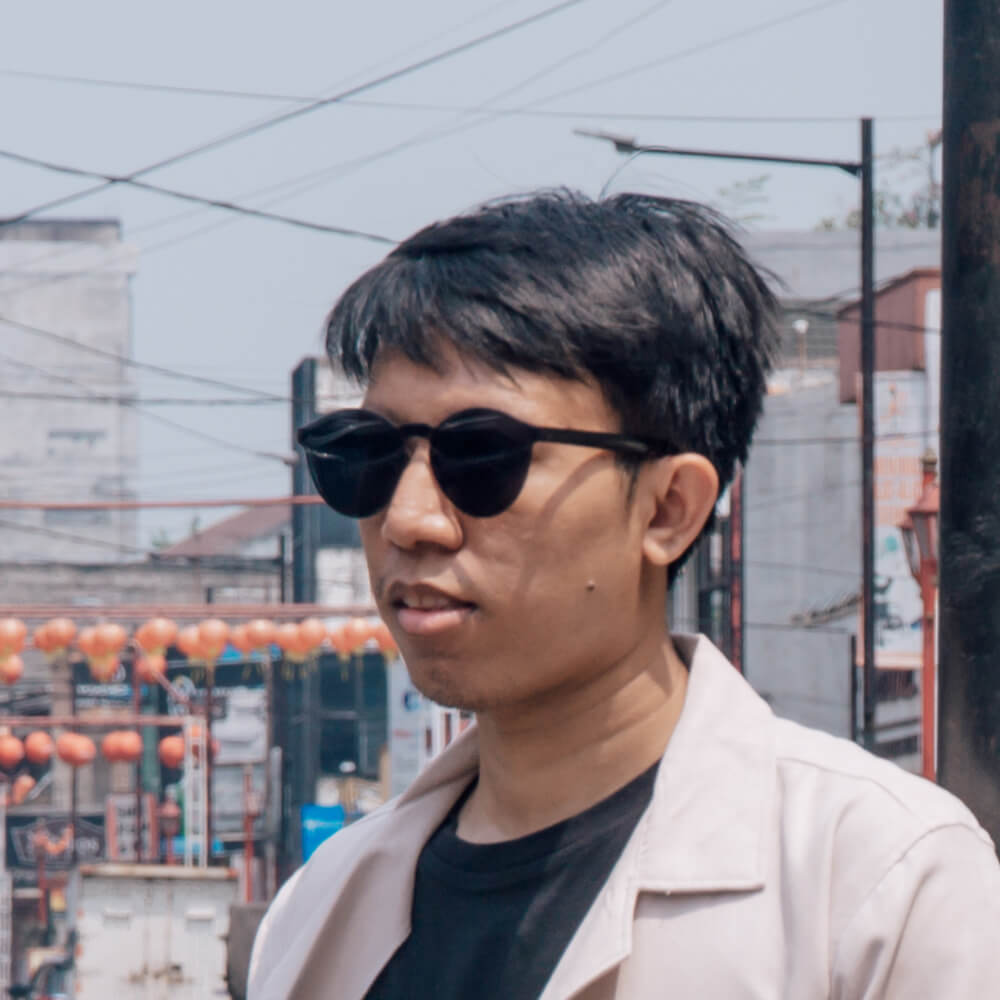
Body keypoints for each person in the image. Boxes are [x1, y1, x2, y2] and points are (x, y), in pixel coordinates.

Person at [248, 192, 1000, 1000]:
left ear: (668, 509)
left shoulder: (879, 884)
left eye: (483, 458)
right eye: (369, 455)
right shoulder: (321, 913)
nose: (409, 519)